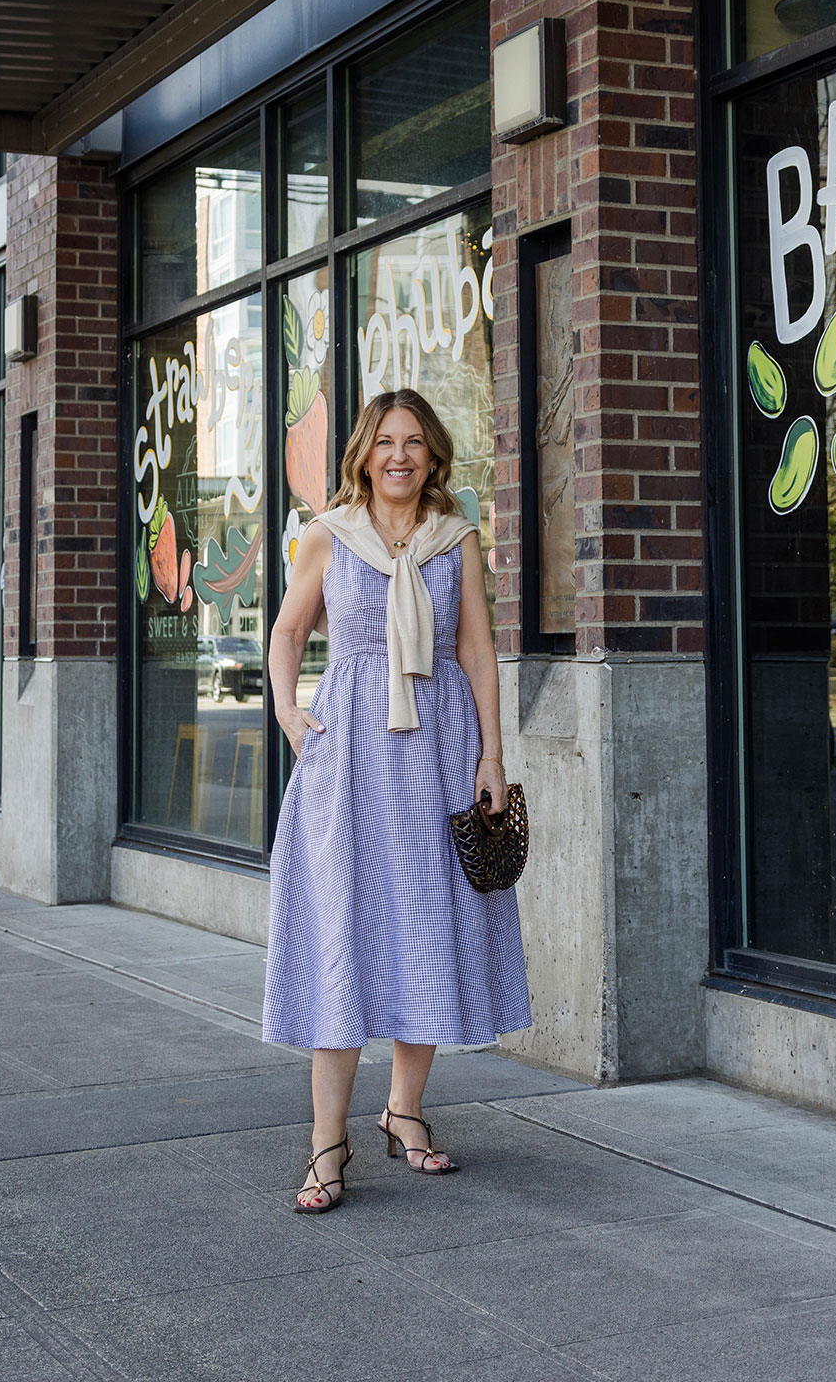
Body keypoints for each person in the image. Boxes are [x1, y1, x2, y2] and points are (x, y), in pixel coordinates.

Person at [263, 388, 532, 1212]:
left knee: (426, 930)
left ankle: (405, 1112)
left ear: (433, 455)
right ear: (363, 453)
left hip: (440, 755)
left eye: (414, 442)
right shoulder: (327, 536)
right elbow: (286, 632)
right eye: (386, 441)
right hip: (349, 761)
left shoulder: (455, 541)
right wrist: (287, 711)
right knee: (343, 933)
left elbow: (478, 650)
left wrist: (491, 754)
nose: (401, 456)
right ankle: (326, 1144)